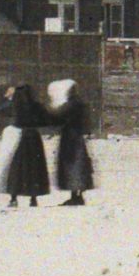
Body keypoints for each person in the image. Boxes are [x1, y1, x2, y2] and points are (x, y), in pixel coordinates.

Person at [0, 84, 50, 208]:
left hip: (20, 137)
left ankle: (13, 198)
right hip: (34, 138)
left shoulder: (14, 105)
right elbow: (45, 120)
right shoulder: (37, 105)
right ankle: (33, 198)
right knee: (34, 168)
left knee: (16, 168)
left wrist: (8, 97)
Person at [46, 78, 94, 206]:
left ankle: (74, 196)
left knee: (71, 166)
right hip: (78, 138)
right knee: (80, 167)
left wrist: (50, 107)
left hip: (69, 139)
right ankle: (79, 195)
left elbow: (57, 116)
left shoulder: (70, 105)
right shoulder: (81, 104)